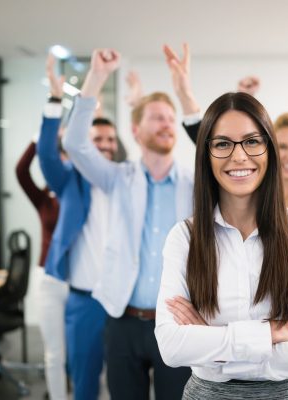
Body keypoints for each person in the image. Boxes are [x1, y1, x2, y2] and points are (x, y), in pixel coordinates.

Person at [155, 91, 288, 400]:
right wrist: (270, 334)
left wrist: (216, 351)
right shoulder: (184, 237)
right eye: (222, 144)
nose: (239, 156)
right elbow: (172, 346)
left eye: (252, 141)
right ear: (206, 154)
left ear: (269, 150)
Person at [63, 48, 192, 400]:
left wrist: (183, 92)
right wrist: (98, 77)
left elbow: (214, 148)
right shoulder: (118, 178)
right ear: (135, 130)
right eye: (157, 117)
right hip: (122, 320)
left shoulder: (195, 185)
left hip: (178, 323)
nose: (167, 122)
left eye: (170, 117)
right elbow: (74, 143)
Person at [37, 54, 119, 400]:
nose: (103, 145)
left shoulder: (125, 181)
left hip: (123, 302)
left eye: (110, 140)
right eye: (96, 139)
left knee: (124, 383)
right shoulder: (69, 180)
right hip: (84, 299)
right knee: (84, 381)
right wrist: (56, 102)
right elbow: (46, 154)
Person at [15, 84, 68, 400]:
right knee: (53, 352)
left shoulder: (81, 196)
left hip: (77, 281)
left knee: (79, 351)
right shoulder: (44, 199)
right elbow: (21, 171)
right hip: (47, 278)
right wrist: (40, 136)